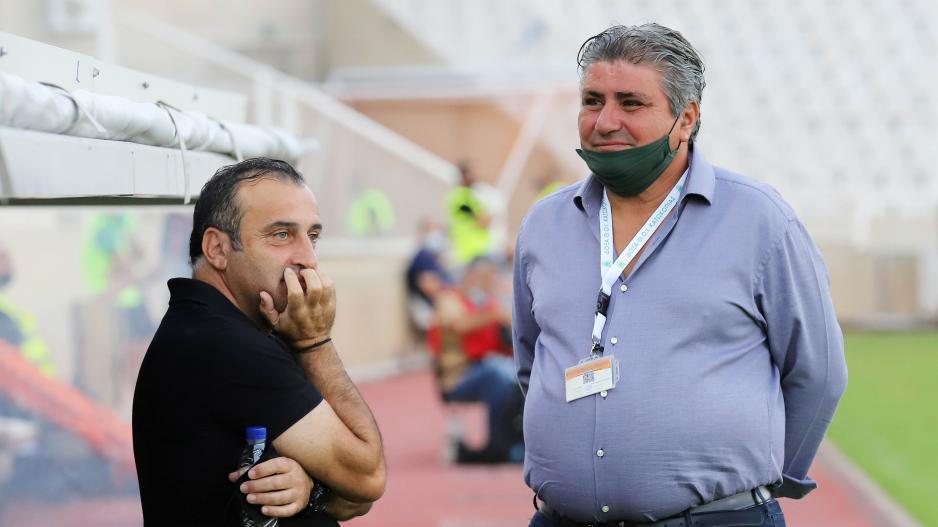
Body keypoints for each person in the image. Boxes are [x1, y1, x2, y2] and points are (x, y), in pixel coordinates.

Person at [512, 24, 847, 526]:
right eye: (592, 101)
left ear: (685, 118)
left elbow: (817, 372)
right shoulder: (544, 224)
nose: (605, 121)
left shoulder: (759, 220)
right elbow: (531, 364)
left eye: (631, 103)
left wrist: (765, 483)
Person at [132, 158, 386, 526]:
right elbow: (367, 475)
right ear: (217, 249)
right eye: (281, 235)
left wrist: (312, 487)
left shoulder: (233, 329)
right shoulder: (221, 342)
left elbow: (356, 497)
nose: (308, 259)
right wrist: (315, 342)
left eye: (313, 236)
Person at [428, 257, 522, 464]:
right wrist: (493, 315)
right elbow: (458, 325)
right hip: (457, 376)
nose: (488, 284)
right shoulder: (449, 298)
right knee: (496, 377)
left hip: (484, 366)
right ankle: (498, 446)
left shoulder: (486, 301)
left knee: (518, 374)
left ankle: (516, 443)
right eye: (485, 278)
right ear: (472, 276)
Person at [405, 218, 453, 332]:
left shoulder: (434, 257)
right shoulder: (423, 256)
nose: (438, 235)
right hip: (429, 310)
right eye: (432, 230)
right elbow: (428, 285)